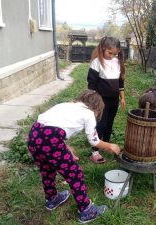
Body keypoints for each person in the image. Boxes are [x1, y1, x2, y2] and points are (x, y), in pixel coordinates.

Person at [27, 90, 121, 223]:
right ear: (97, 107)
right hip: (50, 140)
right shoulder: (88, 114)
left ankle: (52, 199)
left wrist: (65, 148)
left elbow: (48, 128)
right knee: (74, 174)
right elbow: (94, 141)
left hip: (34, 135)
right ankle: (86, 211)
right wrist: (111, 146)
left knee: (47, 170)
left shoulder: (65, 105)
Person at [87, 36, 126, 164]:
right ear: (103, 48)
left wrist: (122, 98)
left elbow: (120, 82)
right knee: (101, 124)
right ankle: (94, 151)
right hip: (101, 100)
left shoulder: (117, 62)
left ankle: (107, 144)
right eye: (110, 53)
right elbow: (91, 84)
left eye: (115, 53)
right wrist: (93, 100)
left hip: (113, 100)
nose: (112, 56)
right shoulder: (97, 62)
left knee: (110, 123)